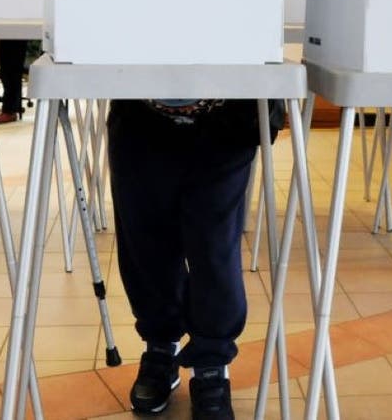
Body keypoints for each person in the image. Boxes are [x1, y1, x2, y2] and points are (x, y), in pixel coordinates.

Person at [108, 97, 282, 419]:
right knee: (145, 243)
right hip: (139, 112)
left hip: (226, 117)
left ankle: (211, 363)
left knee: (214, 251)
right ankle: (161, 347)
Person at [0, 39, 29, 124]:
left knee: (10, 70)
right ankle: (10, 109)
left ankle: (9, 111)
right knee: (7, 70)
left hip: (14, 36)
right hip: (5, 35)